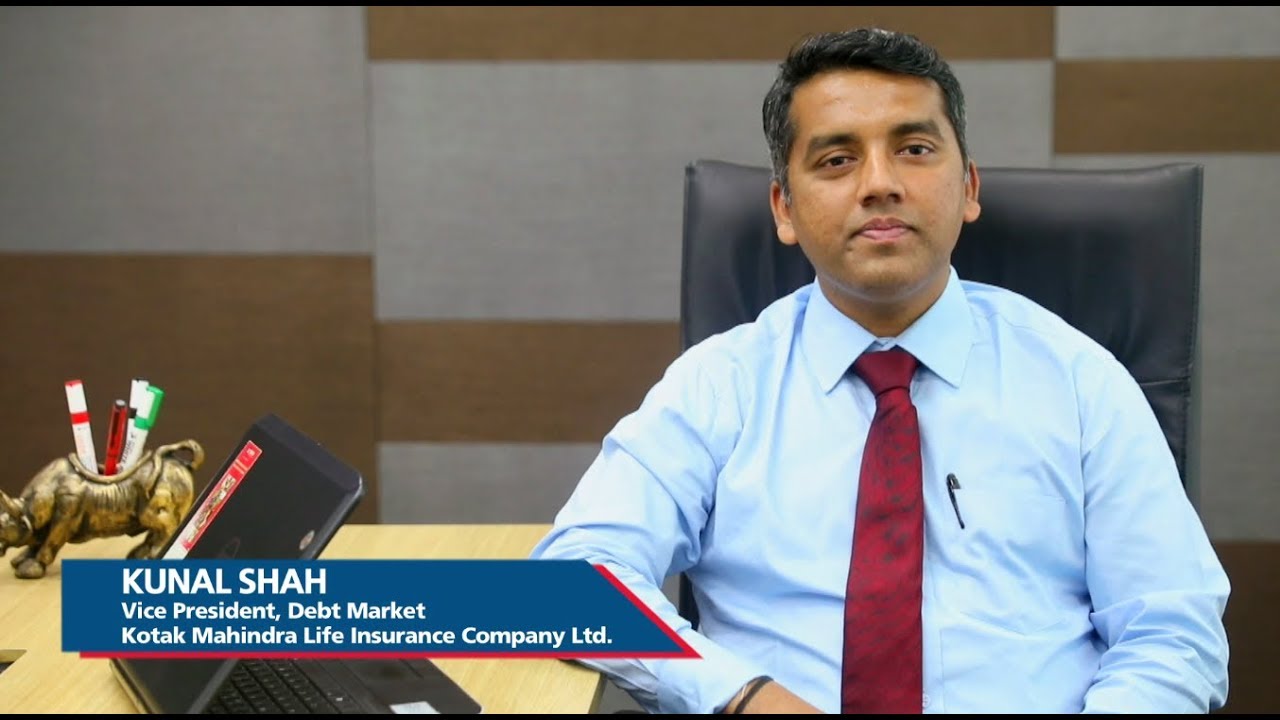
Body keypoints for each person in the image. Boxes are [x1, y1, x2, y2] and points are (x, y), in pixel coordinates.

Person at [530, 27, 1229, 714]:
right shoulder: (721, 386)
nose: (880, 184)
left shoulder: (1079, 380)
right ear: (784, 209)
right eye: (837, 160)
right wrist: (739, 696)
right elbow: (564, 588)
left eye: (914, 150)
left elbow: (1173, 634)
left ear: (969, 186)